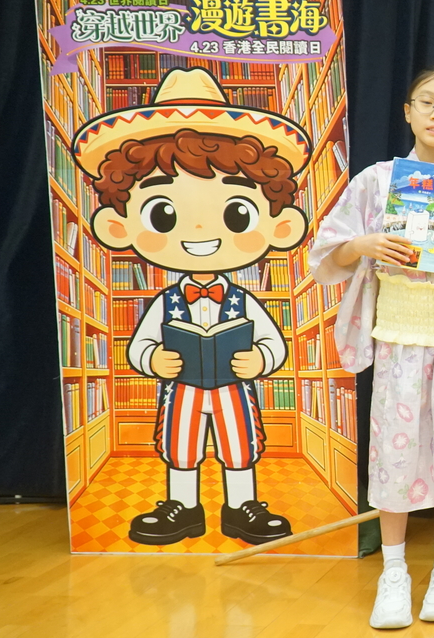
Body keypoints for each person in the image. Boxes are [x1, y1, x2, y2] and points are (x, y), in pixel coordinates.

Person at [310, 65, 434, 629]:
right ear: (407, 111)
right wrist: (363, 244)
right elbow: (328, 252)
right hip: (399, 338)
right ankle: (394, 571)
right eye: (427, 102)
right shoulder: (376, 183)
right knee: (393, 453)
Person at [74, 67, 309, 549]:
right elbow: (140, 345)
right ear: (118, 226)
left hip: (233, 389)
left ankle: (242, 506)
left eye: (237, 213)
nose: (199, 232)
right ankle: (182, 506)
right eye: (162, 213)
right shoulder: (164, 302)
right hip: (180, 388)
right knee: (180, 446)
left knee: (239, 446)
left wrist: (260, 359)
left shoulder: (244, 300)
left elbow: (272, 342)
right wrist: (151, 359)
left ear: (280, 225)